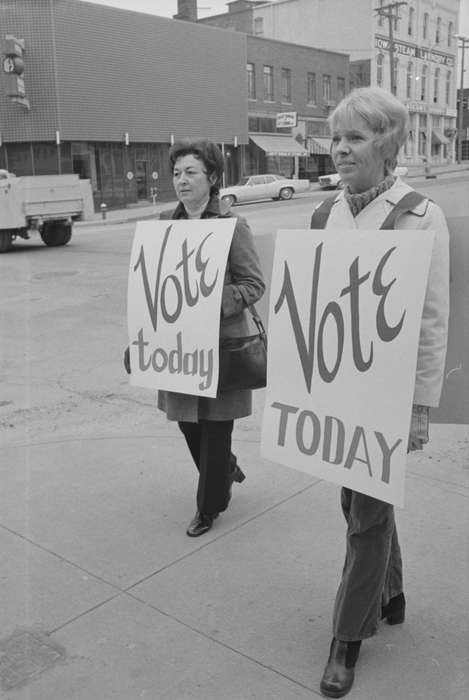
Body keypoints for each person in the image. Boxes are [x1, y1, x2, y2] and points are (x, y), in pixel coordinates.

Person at [309, 87, 450, 698]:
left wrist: (420, 405)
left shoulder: (421, 214)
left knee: (366, 515)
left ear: (387, 145)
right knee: (357, 503)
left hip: (389, 396)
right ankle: (391, 595)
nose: (340, 149)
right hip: (339, 390)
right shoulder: (324, 215)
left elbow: (431, 319)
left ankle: (348, 636)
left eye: (356, 138)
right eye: (337, 137)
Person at [126, 139, 265, 538]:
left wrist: (213, 298)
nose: (182, 181)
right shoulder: (164, 227)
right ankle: (226, 468)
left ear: (213, 178)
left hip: (220, 347)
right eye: (177, 173)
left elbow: (254, 284)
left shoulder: (232, 225)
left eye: (191, 172)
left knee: (217, 426)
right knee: (189, 425)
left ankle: (210, 506)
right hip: (178, 346)